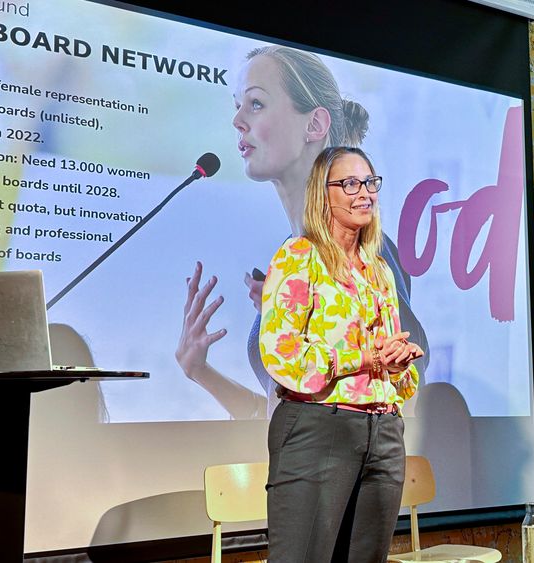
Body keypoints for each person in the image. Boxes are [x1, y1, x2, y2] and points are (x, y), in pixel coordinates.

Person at [175, 45, 428, 419]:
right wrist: (200, 371)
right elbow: (282, 423)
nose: (237, 121)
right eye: (236, 106)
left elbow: (400, 401)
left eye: (256, 104)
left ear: (315, 125)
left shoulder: (358, 248)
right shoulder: (296, 257)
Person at [260, 146, 421, 562]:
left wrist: (398, 360)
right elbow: (281, 354)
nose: (364, 192)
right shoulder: (300, 256)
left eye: (370, 182)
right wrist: (362, 359)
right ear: (322, 194)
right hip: (319, 426)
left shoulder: (379, 270)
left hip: (383, 432)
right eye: (350, 183)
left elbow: (388, 367)